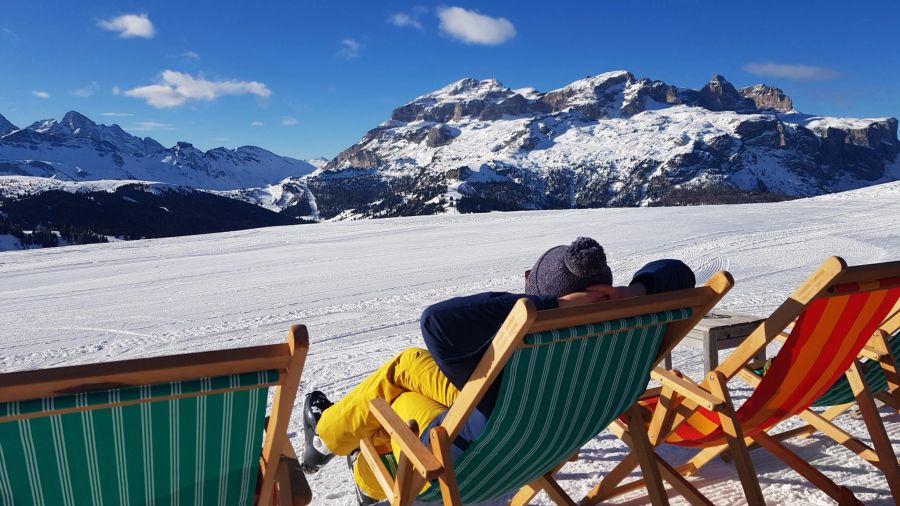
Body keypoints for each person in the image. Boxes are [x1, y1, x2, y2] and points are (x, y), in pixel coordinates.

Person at [300, 237, 695, 504]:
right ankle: (326, 438)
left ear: (543, 295)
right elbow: (676, 271)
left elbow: (439, 322)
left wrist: (553, 307)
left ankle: (345, 457)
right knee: (406, 363)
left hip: (478, 454)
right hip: (544, 437)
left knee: (396, 401)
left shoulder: (520, 368)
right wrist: (632, 292)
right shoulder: (630, 335)